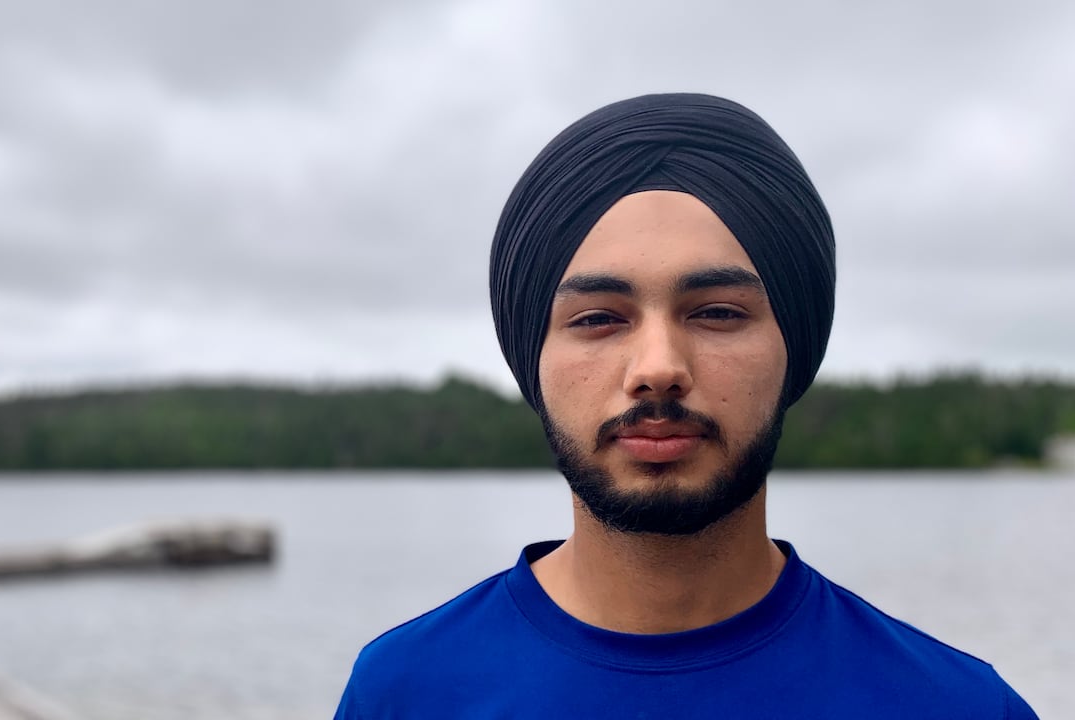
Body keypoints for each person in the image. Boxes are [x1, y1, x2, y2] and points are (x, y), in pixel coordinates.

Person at [334, 93, 1037, 719]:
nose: (659, 369)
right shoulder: (406, 692)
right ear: (532, 362)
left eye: (718, 312)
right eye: (598, 319)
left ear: (795, 348)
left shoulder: (958, 706)